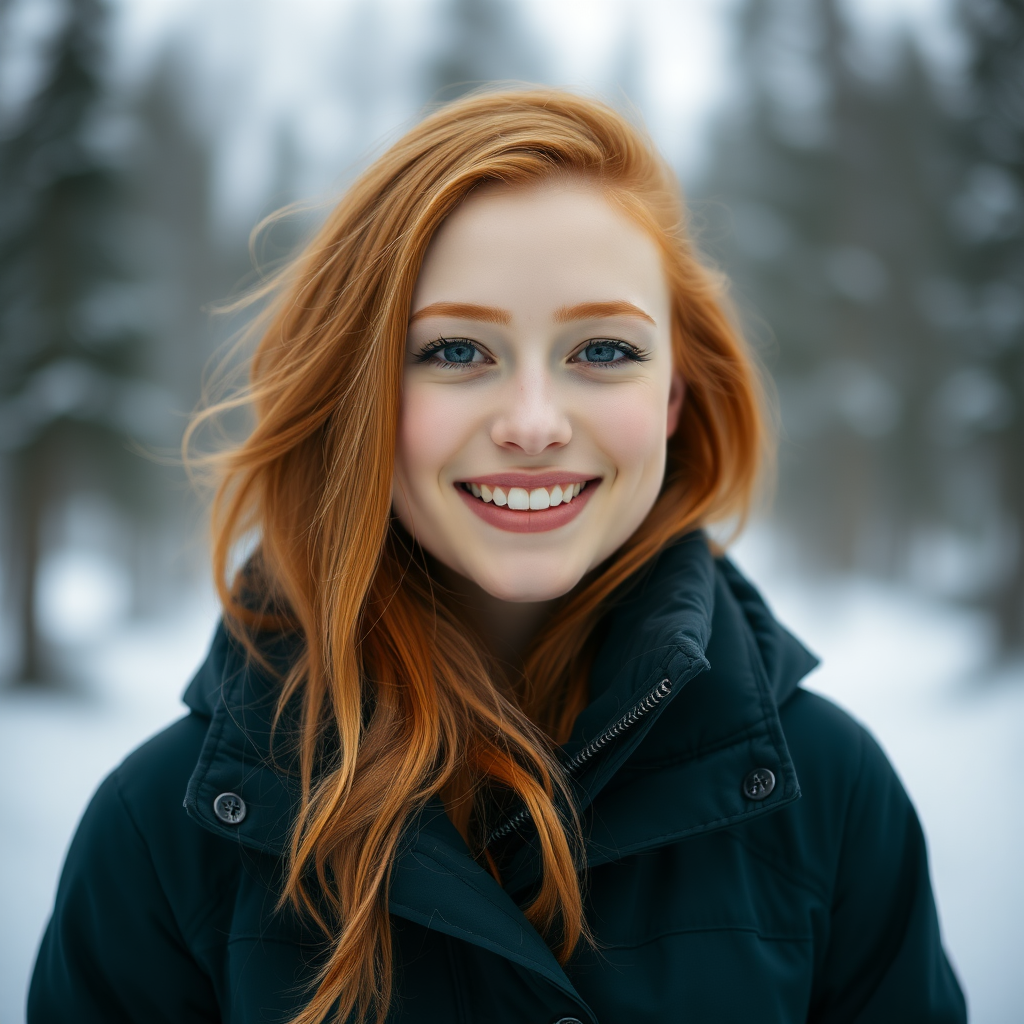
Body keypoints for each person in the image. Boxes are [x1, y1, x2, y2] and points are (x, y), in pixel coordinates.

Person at [29, 89, 966, 1024]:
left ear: (677, 395)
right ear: (361, 394)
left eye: (602, 348)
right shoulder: (166, 829)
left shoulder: (830, 797)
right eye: (455, 352)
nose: (532, 424)